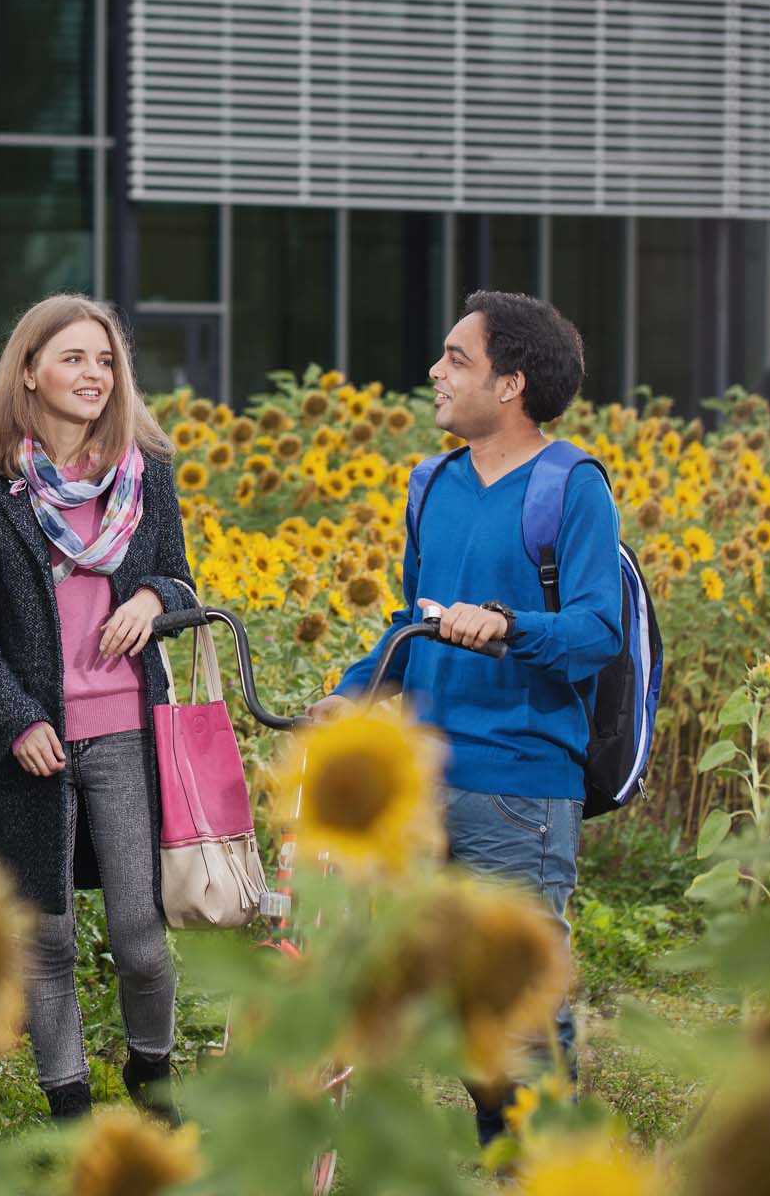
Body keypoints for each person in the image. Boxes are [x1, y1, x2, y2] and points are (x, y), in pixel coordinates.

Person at [309, 289, 623, 1146]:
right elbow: (414, 616)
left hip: (520, 784)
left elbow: (600, 630)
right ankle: (510, 1145)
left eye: (457, 358)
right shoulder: (432, 483)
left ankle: (543, 1160)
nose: (435, 374)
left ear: (512, 383)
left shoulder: (572, 487)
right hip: (423, 778)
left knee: (516, 1005)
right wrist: (357, 686)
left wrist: (511, 625)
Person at [0, 294, 199, 1124]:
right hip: (34, 743)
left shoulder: (144, 469)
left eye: (105, 360)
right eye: (74, 358)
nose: (95, 374)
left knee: (140, 937)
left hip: (126, 731)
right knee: (43, 937)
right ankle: (68, 1105)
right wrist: (18, 717)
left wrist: (154, 595)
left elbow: (182, 578)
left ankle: (151, 1074)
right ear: (29, 371)